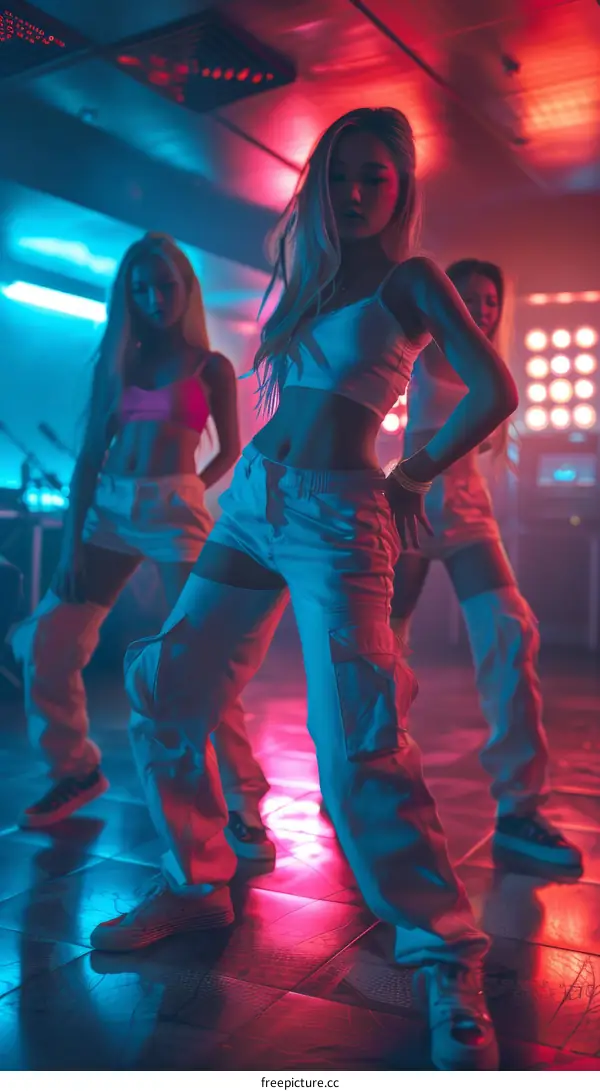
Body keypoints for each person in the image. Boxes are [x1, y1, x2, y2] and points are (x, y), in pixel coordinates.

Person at [90, 109, 518, 1071]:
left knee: (358, 746)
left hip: (339, 514)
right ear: (319, 186)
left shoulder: (412, 280)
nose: (358, 192)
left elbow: (493, 389)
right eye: (341, 177)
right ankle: (198, 878)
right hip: (254, 501)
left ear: (401, 187)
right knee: (164, 685)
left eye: (377, 177)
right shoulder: (315, 282)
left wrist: (417, 474)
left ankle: (447, 959)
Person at [10, 233, 275, 863]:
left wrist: (189, 490)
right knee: (45, 639)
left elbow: (230, 450)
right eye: (141, 288)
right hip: (107, 509)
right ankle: (72, 767)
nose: (154, 298)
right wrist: (73, 541)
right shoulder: (119, 360)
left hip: (173, 508)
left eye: (165, 286)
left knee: (201, 656)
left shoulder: (208, 366)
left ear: (187, 290)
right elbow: (87, 460)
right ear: (127, 295)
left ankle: (243, 803)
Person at [390, 259, 581, 873]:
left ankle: (521, 810)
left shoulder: (492, 368)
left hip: (467, 509)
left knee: (508, 631)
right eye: (468, 296)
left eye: (490, 300)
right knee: (380, 647)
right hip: (410, 505)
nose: (481, 308)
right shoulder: (416, 354)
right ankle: (369, 781)